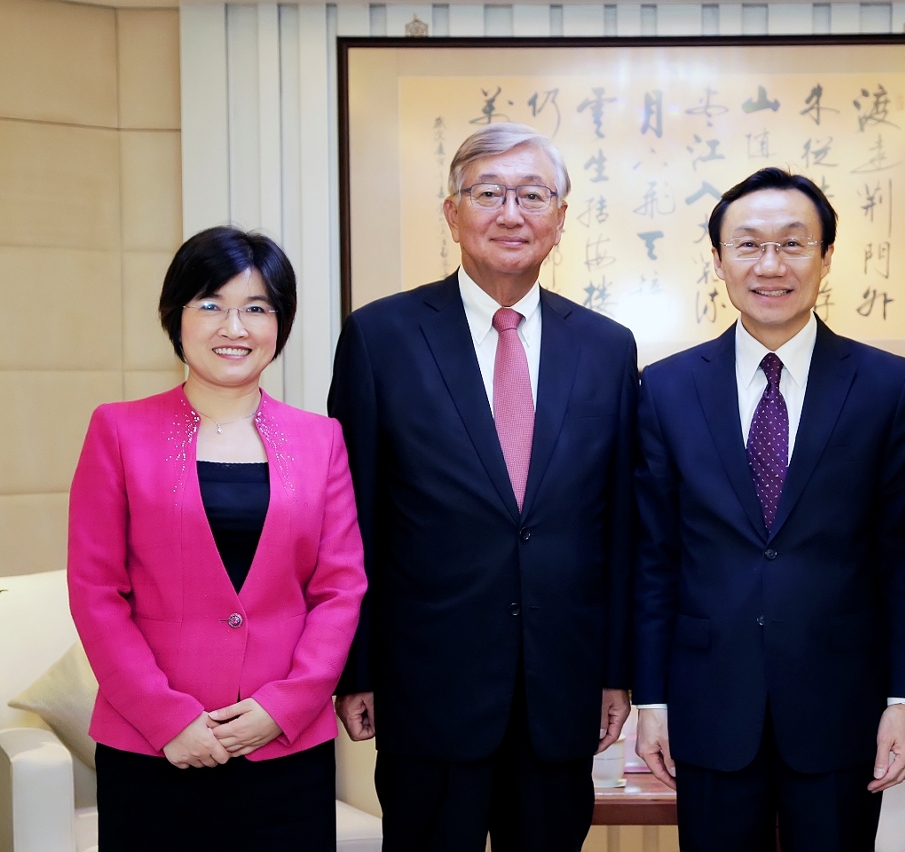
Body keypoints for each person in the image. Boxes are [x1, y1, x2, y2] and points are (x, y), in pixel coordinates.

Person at [328, 122, 637, 852]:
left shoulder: (607, 347)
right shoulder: (381, 336)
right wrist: (357, 667)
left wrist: (615, 671)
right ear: (451, 211)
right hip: (427, 683)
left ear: (560, 220)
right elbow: (353, 514)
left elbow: (621, 523)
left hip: (560, 686)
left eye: (533, 195)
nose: (511, 213)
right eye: (489, 193)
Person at [632, 167, 905, 852]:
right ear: (718, 260)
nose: (771, 265)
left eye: (794, 244)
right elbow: (654, 558)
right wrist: (651, 702)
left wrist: (903, 699)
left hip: (841, 703)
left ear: (827, 257)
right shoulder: (666, 389)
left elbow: (902, 556)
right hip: (709, 702)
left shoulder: (885, 385)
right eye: (748, 245)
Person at [67, 226, 367, 852]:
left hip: (283, 746)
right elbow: (96, 592)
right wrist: (166, 717)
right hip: (153, 747)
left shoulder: (322, 440)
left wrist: (285, 707)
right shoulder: (118, 431)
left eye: (256, 308)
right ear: (175, 317)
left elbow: (340, 589)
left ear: (279, 326)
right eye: (211, 305)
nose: (235, 328)